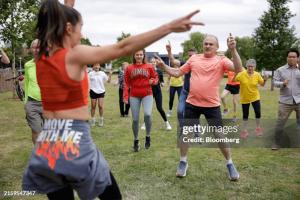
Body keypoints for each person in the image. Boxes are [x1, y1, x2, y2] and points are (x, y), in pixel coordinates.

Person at [22, 0, 204, 199]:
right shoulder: (73, 56)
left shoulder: (41, 58)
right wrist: (168, 27)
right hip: (73, 140)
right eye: (79, 29)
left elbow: (56, 26)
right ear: (67, 28)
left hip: (49, 145)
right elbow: (123, 48)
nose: (82, 35)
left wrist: (67, 7)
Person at [156, 34, 243, 181]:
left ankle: (230, 163)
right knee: (186, 134)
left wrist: (233, 50)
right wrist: (164, 66)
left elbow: (239, 68)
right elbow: (177, 72)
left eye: (211, 44)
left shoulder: (222, 60)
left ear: (217, 47)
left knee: (219, 136)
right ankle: (183, 161)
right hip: (192, 104)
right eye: (206, 44)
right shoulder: (194, 59)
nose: (208, 46)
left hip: (212, 105)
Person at [123, 50, 158, 151]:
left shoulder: (149, 66)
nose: (139, 56)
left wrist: (154, 81)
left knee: (147, 114)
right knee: (135, 119)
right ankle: (136, 140)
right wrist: (125, 97)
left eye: (140, 55)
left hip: (147, 94)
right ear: (134, 55)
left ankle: (147, 136)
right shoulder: (129, 68)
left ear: (143, 56)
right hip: (134, 95)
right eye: (137, 54)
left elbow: (155, 77)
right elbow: (126, 83)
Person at [271, 49, 300, 150]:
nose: (291, 59)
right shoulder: (280, 70)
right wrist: (283, 83)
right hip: (285, 101)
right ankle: (276, 142)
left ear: (297, 58)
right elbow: (274, 82)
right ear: (287, 58)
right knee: (280, 123)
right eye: (289, 57)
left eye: (294, 57)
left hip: (299, 100)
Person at [233, 59, 268, 138]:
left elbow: (262, 84)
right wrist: (235, 75)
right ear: (246, 66)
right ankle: (245, 130)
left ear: (254, 67)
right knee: (245, 115)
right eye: (249, 66)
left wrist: (265, 80)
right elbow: (233, 80)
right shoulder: (241, 74)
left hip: (255, 97)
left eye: (252, 66)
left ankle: (258, 128)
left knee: (258, 113)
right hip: (245, 98)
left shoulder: (257, 75)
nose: (250, 68)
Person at [166, 41, 197, 130]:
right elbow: (173, 61)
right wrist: (169, 51)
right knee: (180, 111)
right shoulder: (186, 64)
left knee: (195, 115)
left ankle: (197, 134)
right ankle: (183, 129)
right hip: (185, 91)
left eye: (193, 56)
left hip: (195, 93)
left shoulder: (200, 65)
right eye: (189, 56)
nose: (190, 57)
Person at [141, 57, 172, 131]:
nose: (153, 63)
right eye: (151, 62)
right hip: (149, 93)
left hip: (158, 92)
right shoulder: (147, 71)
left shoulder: (159, 71)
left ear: (156, 63)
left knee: (160, 108)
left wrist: (162, 83)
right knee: (147, 110)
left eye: (154, 62)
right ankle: (145, 124)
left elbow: (161, 80)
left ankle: (167, 123)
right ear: (149, 63)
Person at [24, 39, 43, 145]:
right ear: (31, 49)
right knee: (36, 131)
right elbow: (27, 84)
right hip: (32, 103)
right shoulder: (28, 65)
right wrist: (26, 102)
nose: (37, 50)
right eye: (35, 47)